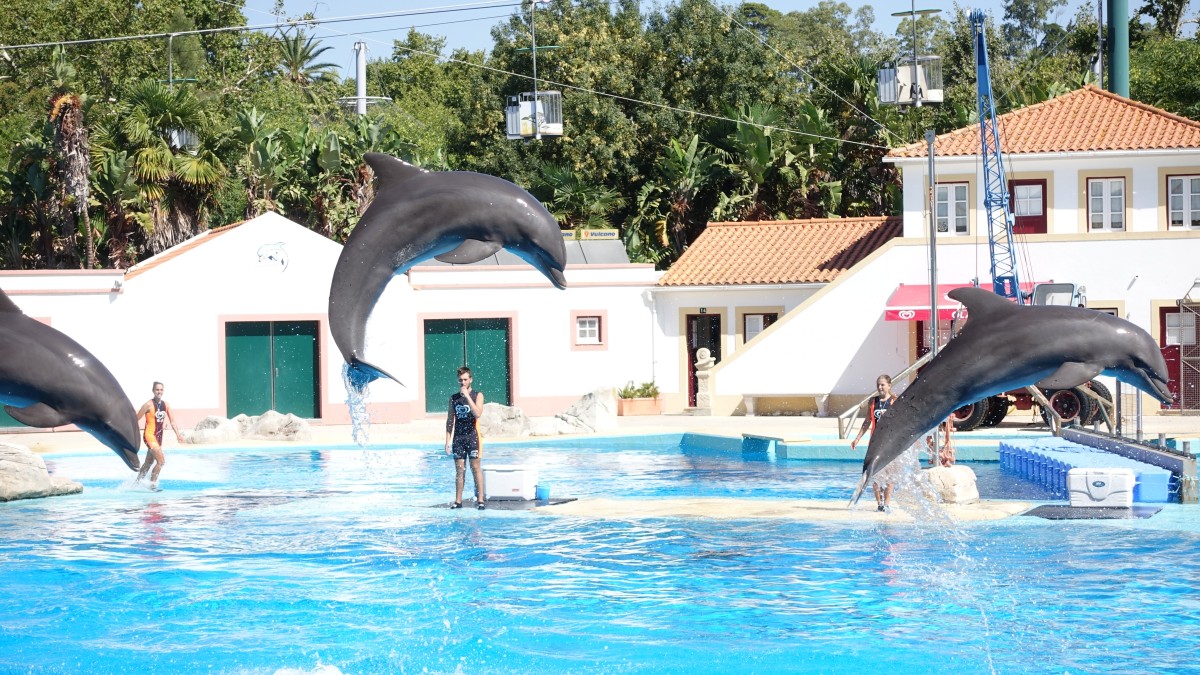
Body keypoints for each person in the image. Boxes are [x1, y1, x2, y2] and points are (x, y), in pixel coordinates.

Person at [851, 374, 898, 512]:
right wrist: (858, 438)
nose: (880, 387)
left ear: (889, 385)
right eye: (878, 384)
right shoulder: (873, 402)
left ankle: (887, 503)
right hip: (875, 443)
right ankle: (879, 504)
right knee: (875, 474)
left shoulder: (895, 401)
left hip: (890, 443)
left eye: (883, 384)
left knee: (890, 474)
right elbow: (867, 421)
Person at [445, 366, 485, 509]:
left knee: (475, 467)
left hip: (473, 437)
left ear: (470, 380)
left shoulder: (477, 395)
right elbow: (450, 420)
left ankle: (480, 500)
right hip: (458, 439)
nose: (463, 382)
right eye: (460, 380)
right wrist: (447, 441)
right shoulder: (453, 398)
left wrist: (467, 396)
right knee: (460, 470)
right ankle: (458, 501)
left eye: (465, 380)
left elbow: (477, 413)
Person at [136, 381, 182, 490]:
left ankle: (137, 483)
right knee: (161, 462)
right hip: (149, 435)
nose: (159, 392)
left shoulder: (166, 405)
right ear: (153, 391)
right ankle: (152, 485)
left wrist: (178, 435)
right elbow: (135, 419)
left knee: (148, 462)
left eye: (161, 390)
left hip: (158, 437)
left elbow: (173, 422)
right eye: (157, 389)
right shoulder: (148, 405)